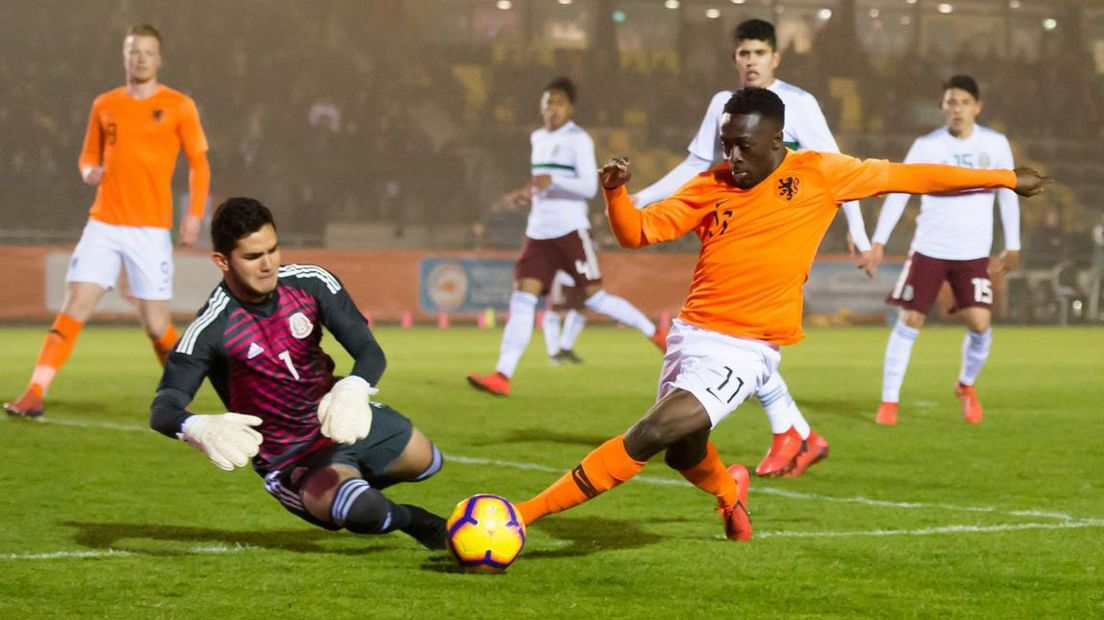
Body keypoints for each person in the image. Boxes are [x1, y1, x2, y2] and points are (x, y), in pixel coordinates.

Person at [512, 88, 1047, 541]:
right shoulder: (709, 186)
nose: (733, 158)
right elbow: (637, 233)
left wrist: (1003, 178)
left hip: (747, 350)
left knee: (651, 433)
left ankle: (521, 516)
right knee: (683, 453)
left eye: (743, 146)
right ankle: (729, 490)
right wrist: (615, 194)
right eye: (726, 146)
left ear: (777, 141)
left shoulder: (820, 174)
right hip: (691, 337)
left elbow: (910, 177)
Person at [632, 19, 872, 477]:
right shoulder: (723, 105)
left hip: (786, 234)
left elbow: (843, 171)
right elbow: (699, 163)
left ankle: (793, 431)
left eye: (759, 53)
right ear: (734, 59)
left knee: (739, 332)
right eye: (743, 54)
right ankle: (796, 432)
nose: (750, 62)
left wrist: (858, 234)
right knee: (738, 333)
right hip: (735, 230)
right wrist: (644, 198)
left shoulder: (799, 105)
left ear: (775, 58)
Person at [149, 198, 447, 550]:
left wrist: (354, 386)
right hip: (293, 457)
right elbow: (164, 407)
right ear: (222, 261)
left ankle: (347, 490)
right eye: (252, 257)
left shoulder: (310, 283)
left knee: (429, 461)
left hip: (340, 420)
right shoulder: (212, 328)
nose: (267, 265)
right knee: (365, 512)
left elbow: (368, 350)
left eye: (273, 250)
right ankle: (412, 519)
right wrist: (196, 426)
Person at [5, 24, 210, 418]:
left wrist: (194, 215)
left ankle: (179, 392)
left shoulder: (180, 105)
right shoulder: (105, 104)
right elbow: (87, 154)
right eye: (134, 51)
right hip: (104, 223)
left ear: (159, 58)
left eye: (148, 52)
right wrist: (87, 172)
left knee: (155, 325)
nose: (140, 59)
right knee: (75, 305)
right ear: (124, 55)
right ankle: (34, 392)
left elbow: (199, 164)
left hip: (151, 229)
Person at [467, 77, 663, 397]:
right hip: (538, 233)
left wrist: (552, 180)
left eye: (558, 103)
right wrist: (527, 193)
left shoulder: (579, 140)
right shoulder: (537, 137)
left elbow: (587, 187)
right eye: (547, 103)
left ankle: (655, 332)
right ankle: (502, 374)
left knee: (596, 298)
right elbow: (543, 184)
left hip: (571, 231)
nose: (552, 109)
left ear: (570, 108)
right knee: (522, 299)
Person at [870, 75, 1022, 426]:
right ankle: (889, 402)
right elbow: (898, 189)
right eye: (951, 103)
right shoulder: (927, 146)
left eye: (964, 103)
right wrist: (879, 240)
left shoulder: (996, 144)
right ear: (942, 107)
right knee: (911, 319)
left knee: (981, 323)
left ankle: (966, 385)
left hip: (972, 252)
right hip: (930, 248)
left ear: (977, 107)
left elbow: (1008, 193)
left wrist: (1013, 244)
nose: (957, 109)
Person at [542, 270, 588, 365]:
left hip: (577, 272)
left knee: (581, 309)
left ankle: (565, 347)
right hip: (559, 272)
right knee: (554, 310)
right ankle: (554, 353)